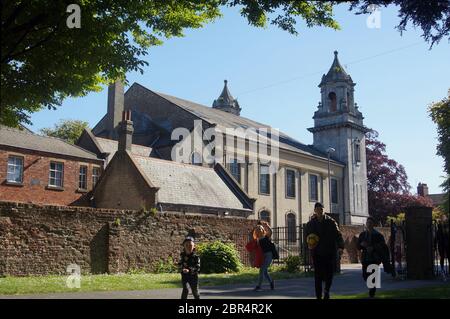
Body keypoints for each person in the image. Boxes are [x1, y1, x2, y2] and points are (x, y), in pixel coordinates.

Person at [305, 202, 344, 299]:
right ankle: (318, 296)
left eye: (321, 209)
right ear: (315, 210)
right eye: (317, 209)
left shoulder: (331, 222)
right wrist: (308, 246)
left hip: (329, 252)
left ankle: (326, 291)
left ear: (323, 210)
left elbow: (338, 235)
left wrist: (340, 247)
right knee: (317, 276)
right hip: (317, 253)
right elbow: (306, 237)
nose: (319, 211)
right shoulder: (310, 224)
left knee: (329, 275)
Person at [357, 216, 389, 298]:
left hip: (375, 258)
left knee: (373, 276)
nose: (369, 224)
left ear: (373, 224)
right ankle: (371, 288)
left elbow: (383, 246)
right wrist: (361, 245)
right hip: (365, 258)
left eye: (370, 223)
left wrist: (373, 247)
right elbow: (358, 246)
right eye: (368, 223)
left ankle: (372, 293)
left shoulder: (378, 235)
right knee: (365, 275)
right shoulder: (363, 234)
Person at [245, 221, 275, 291]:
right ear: (256, 232)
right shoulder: (257, 240)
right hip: (262, 257)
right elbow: (251, 247)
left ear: (262, 231)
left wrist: (267, 226)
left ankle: (259, 286)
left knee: (262, 270)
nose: (259, 231)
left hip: (268, 256)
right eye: (257, 230)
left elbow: (270, 232)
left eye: (260, 230)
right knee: (265, 272)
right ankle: (271, 282)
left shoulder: (266, 237)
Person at [436, 214, 449, 280]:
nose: (443, 219)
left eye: (444, 218)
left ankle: (444, 271)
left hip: (446, 244)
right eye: (442, 218)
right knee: (442, 257)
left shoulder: (447, 227)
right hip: (442, 244)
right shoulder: (439, 227)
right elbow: (437, 237)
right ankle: (442, 271)